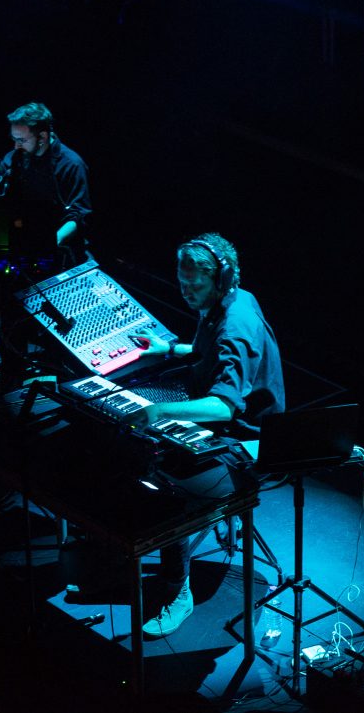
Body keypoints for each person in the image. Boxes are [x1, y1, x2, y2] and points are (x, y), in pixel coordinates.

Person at [126, 233, 285, 637]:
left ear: (221, 278)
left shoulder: (236, 325)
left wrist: (161, 411)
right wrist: (168, 349)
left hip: (248, 442)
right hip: (224, 424)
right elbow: (206, 354)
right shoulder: (229, 300)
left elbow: (225, 406)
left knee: (168, 482)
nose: (186, 292)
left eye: (194, 285)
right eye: (182, 283)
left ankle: (177, 591)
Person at [0, 102, 91, 263]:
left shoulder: (72, 165)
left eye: (21, 140)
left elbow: (78, 215)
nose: (16, 146)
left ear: (42, 137)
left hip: (59, 250)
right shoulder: (20, 154)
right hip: (21, 234)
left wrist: (52, 242)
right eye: (14, 139)